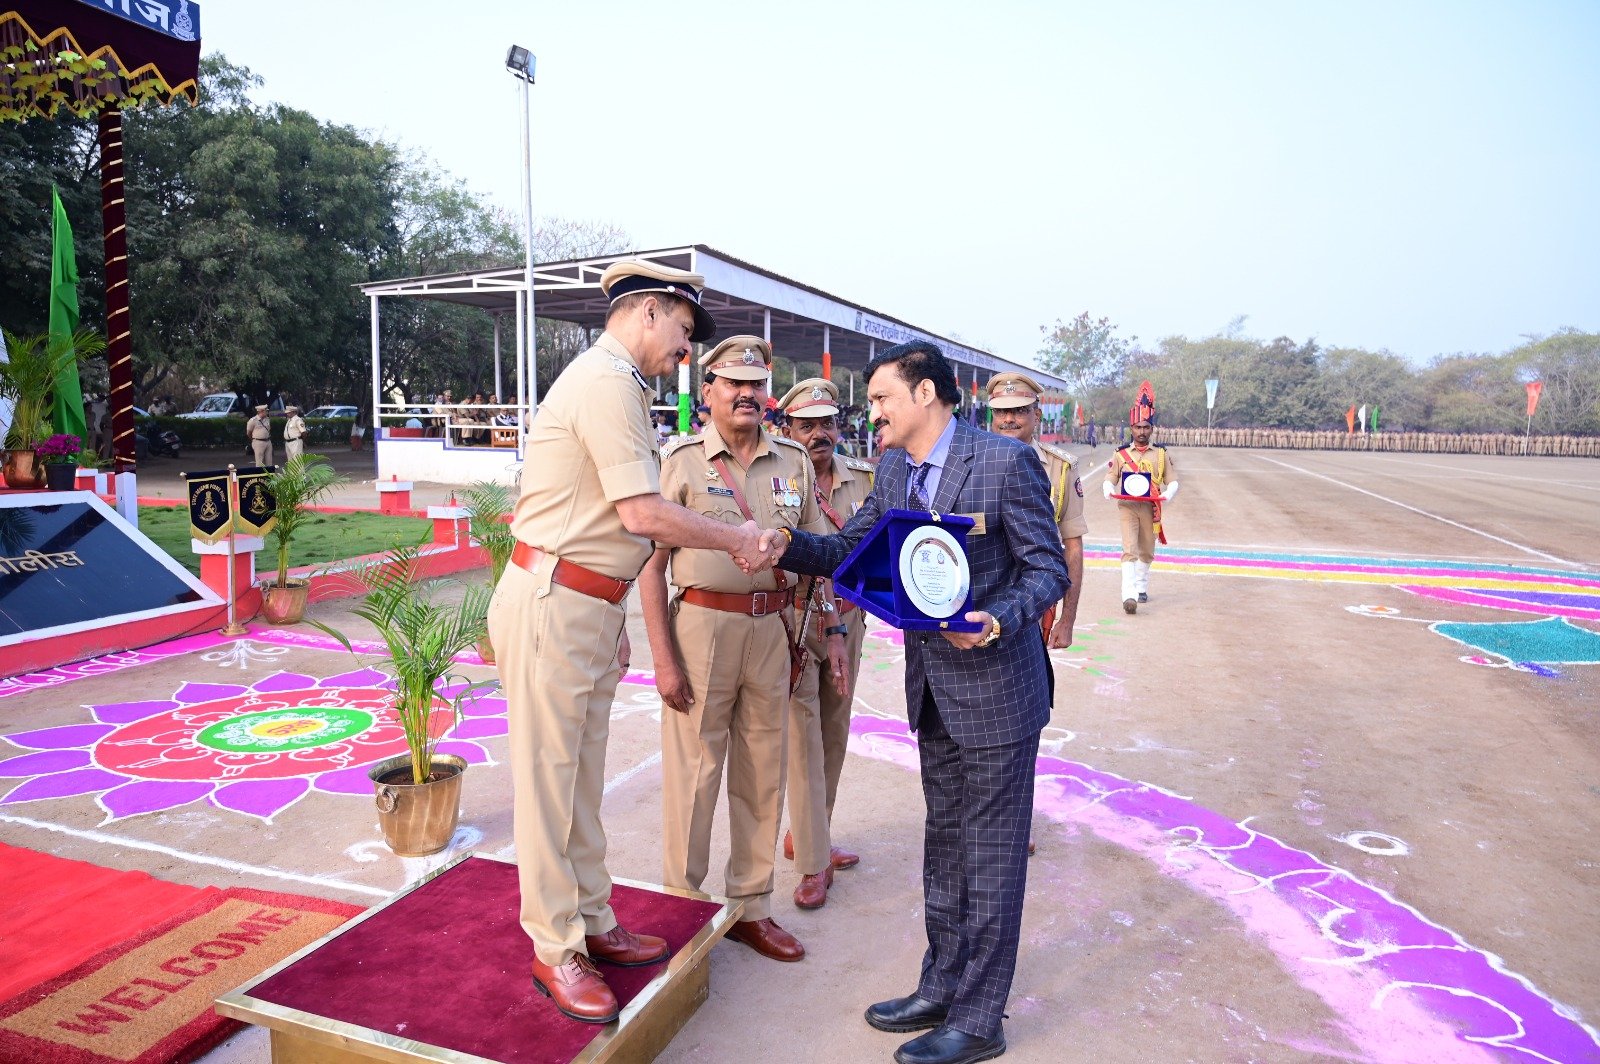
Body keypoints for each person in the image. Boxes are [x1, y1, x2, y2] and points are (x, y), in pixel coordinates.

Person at [487, 260, 775, 1025]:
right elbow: (642, 514)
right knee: (549, 783)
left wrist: (612, 614)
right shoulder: (606, 381)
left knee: (580, 779)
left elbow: (612, 524)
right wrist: (736, 538)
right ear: (648, 312)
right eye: (682, 329)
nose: (685, 348)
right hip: (554, 599)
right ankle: (556, 947)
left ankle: (590, 916)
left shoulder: (621, 384)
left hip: (584, 602)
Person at [764, 341, 1068, 1064]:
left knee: (990, 858)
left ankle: (979, 1019)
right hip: (934, 692)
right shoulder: (897, 468)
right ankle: (941, 986)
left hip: (997, 693)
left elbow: (1047, 569)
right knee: (945, 847)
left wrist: (994, 621)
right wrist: (782, 543)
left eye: (881, 398)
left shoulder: (1004, 462)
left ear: (925, 394)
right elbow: (851, 546)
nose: (872, 412)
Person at [638, 336, 824, 963]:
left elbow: (815, 555)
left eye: (756, 384)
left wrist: (813, 635)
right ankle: (682, 909)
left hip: (772, 631)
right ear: (708, 391)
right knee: (694, 778)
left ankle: (751, 907)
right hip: (701, 629)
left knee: (762, 774)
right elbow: (649, 564)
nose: (746, 394)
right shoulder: (681, 461)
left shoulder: (792, 460)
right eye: (733, 383)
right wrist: (663, 659)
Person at [776, 377, 875, 910]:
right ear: (786, 429)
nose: (818, 434)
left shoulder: (864, 479)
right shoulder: (775, 477)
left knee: (835, 732)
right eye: (806, 425)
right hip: (795, 621)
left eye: (827, 424)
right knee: (804, 738)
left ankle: (812, 833)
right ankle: (813, 862)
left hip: (848, 622)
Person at [986, 373, 1084, 653]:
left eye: (1019, 410)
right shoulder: (970, 463)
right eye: (1001, 411)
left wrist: (1067, 619)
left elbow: (1073, 546)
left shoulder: (1060, 468)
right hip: (982, 599)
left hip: (1034, 603)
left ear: (1037, 415)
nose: (1009, 419)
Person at [1103, 398, 1180, 613]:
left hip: (1150, 508)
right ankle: (1129, 595)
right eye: (1138, 427)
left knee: (1146, 549)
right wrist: (1107, 486)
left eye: (1146, 427)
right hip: (1127, 506)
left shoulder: (1161, 454)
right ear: (1132, 428)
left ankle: (1141, 586)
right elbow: (1111, 475)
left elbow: (1172, 479)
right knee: (1129, 549)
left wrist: (1169, 492)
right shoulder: (1121, 453)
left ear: (1152, 429)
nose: (1142, 432)